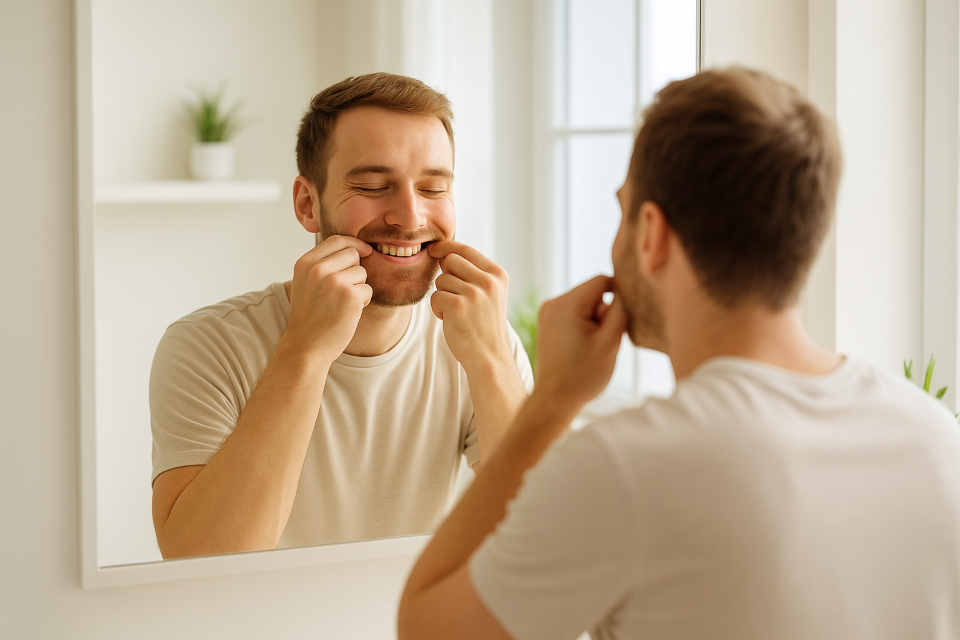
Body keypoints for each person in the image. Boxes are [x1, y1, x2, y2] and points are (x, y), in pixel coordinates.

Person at [398, 67, 960, 639]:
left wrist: (551, 403)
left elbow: (425, 628)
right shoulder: (936, 438)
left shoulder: (626, 469)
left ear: (651, 234)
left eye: (622, 212)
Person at [149, 72, 534, 559]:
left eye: (434, 189)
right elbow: (198, 562)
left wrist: (491, 359)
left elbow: (543, 541)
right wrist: (305, 351)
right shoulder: (205, 347)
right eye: (374, 185)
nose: (411, 217)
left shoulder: (483, 341)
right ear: (308, 204)